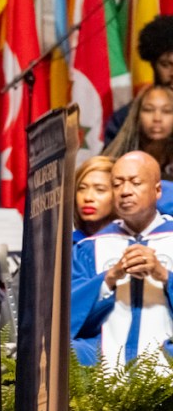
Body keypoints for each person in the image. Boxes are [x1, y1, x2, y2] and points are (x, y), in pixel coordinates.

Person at [70, 151, 173, 368]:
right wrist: (109, 278)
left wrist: (164, 276)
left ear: (157, 190)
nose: (125, 191)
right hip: (103, 370)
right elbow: (68, 319)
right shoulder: (90, 248)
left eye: (135, 183)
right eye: (117, 184)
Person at [105, 15, 173, 145]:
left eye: (166, 111)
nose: (172, 73)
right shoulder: (126, 117)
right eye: (165, 65)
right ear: (153, 65)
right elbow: (111, 154)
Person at [103, 84, 173, 177]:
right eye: (148, 110)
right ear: (137, 116)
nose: (157, 118)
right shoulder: (115, 160)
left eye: (167, 111)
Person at [73, 155, 114, 244]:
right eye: (82, 188)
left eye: (100, 190)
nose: (88, 197)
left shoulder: (132, 243)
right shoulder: (63, 244)